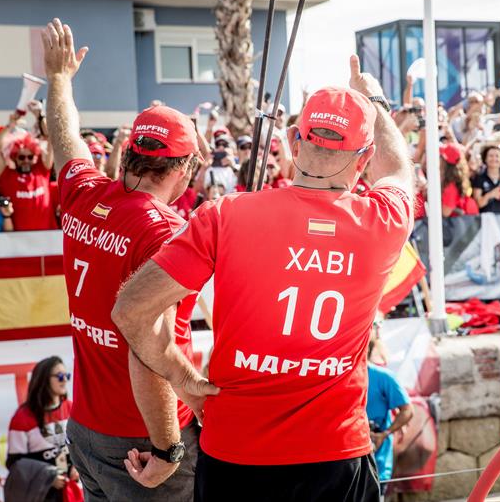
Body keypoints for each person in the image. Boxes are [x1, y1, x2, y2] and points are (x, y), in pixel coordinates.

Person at [112, 55, 414, 501]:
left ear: (294, 141)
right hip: (333, 455)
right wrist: (372, 99)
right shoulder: (383, 221)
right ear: (363, 157)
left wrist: (184, 379)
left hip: (235, 453)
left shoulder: (228, 214)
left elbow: (131, 309)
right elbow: (397, 169)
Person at [42, 18, 202, 500]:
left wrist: (58, 79)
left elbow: (64, 137)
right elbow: (148, 349)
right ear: (187, 168)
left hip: (87, 429)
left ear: (129, 152)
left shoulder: (84, 192)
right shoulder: (164, 232)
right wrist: (169, 448)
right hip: (144, 441)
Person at [6, 356, 77, 501]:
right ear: (44, 379)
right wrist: (47, 477)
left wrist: (78, 467)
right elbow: (15, 463)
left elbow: (85, 445)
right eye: (60, 376)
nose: (65, 380)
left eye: (67, 375)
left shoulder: (72, 408)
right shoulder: (23, 416)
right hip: (43, 494)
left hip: (74, 489)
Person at [366, 326, 413, 490]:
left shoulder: (383, 376)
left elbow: (407, 410)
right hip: (348, 464)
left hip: (378, 462)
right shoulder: (340, 376)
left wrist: (384, 434)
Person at [0, 133, 56, 231]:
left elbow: (51, 140)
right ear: (14, 157)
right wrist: (10, 125)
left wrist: (40, 118)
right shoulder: (6, 176)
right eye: (21, 157)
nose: (26, 160)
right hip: (18, 239)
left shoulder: (42, 171)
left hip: (47, 236)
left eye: (30, 157)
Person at [439, 144, 478, 217]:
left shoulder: (451, 185)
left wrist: (428, 196)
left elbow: (445, 212)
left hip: (454, 225)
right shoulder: (451, 180)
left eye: (440, 156)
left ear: (444, 161)